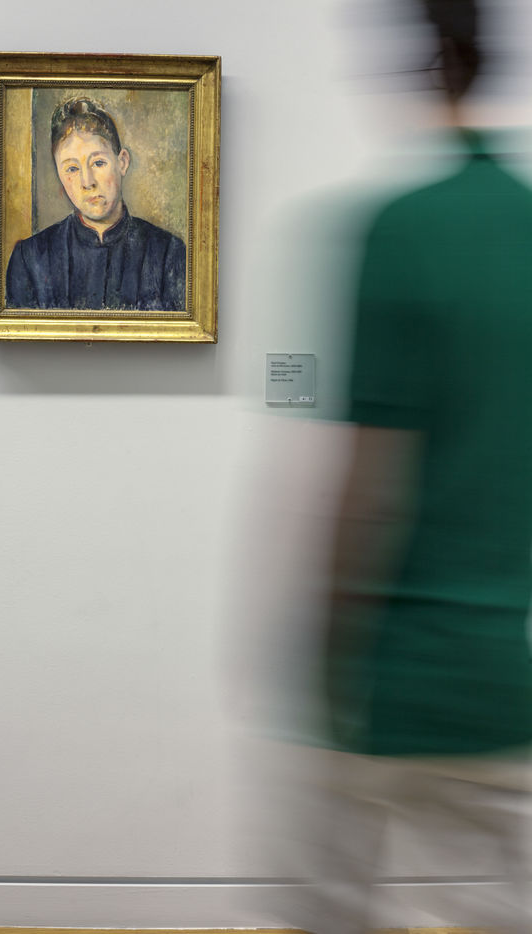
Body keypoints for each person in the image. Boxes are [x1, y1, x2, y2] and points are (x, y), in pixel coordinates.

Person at [261, 3, 532, 933]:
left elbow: (367, 481)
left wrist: (324, 654)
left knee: (330, 903)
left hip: (400, 668)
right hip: (503, 670)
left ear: (418, 73)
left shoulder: (399, 228)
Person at [6, 97, 186, 311]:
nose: (87, 182)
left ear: (122, 162)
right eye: (72, 169)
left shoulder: (168, 253)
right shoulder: (30, 258)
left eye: (98, 163)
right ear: (59, 175)